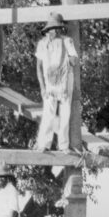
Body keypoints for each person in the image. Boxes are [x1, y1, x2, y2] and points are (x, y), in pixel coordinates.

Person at [35, 12, 79, 153]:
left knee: (65, 113)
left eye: (54, 28)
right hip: (50, 83)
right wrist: (42, 86)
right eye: (49, 29)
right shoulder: (43, 44)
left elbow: (74, 60)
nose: (51, 32)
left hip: (65, 81)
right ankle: (44, 143)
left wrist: (69, 58)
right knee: (48, 113)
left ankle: (64, 145)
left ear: (59, 29)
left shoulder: (67, 41)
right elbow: (38, 66)